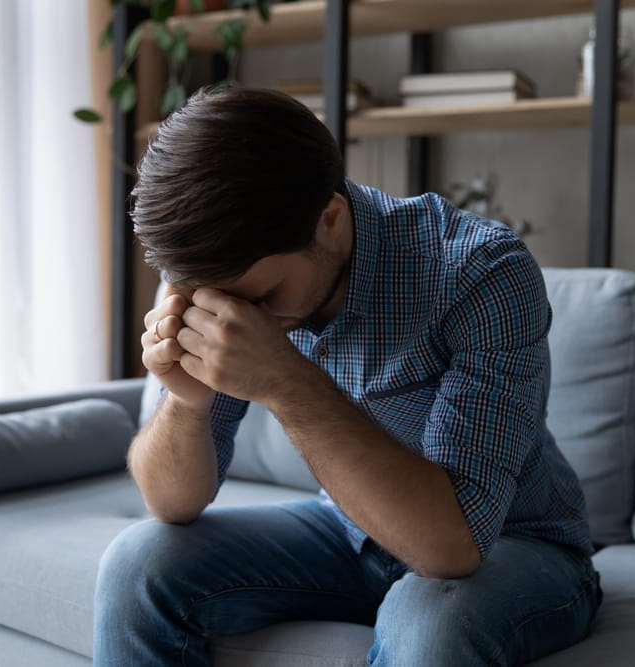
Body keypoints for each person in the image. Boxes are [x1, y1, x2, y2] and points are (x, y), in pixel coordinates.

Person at [93, 87, 601, 666]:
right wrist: (187, 401)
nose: (243, 321)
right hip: (348, 530)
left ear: (329, 218)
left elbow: (451, 548)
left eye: (263, 297)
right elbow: (170, 504)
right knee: (138, 563)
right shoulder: (216, 267)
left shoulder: (480, 273)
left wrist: (285, 381)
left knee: (429, 622)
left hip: (517, 544)